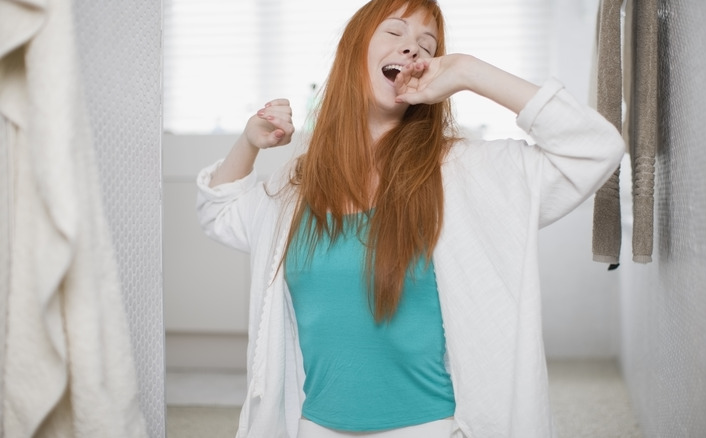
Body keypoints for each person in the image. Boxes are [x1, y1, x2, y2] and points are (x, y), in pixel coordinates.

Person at [196, 0, 624, 436]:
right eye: (395, 32)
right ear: (353, 49)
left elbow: (594, 148)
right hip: (316, 426)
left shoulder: (465, 172)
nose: (413, 49)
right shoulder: (299, 183)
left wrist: (468, 72)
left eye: (427, 44)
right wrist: (249, 141)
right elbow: (220, 211)